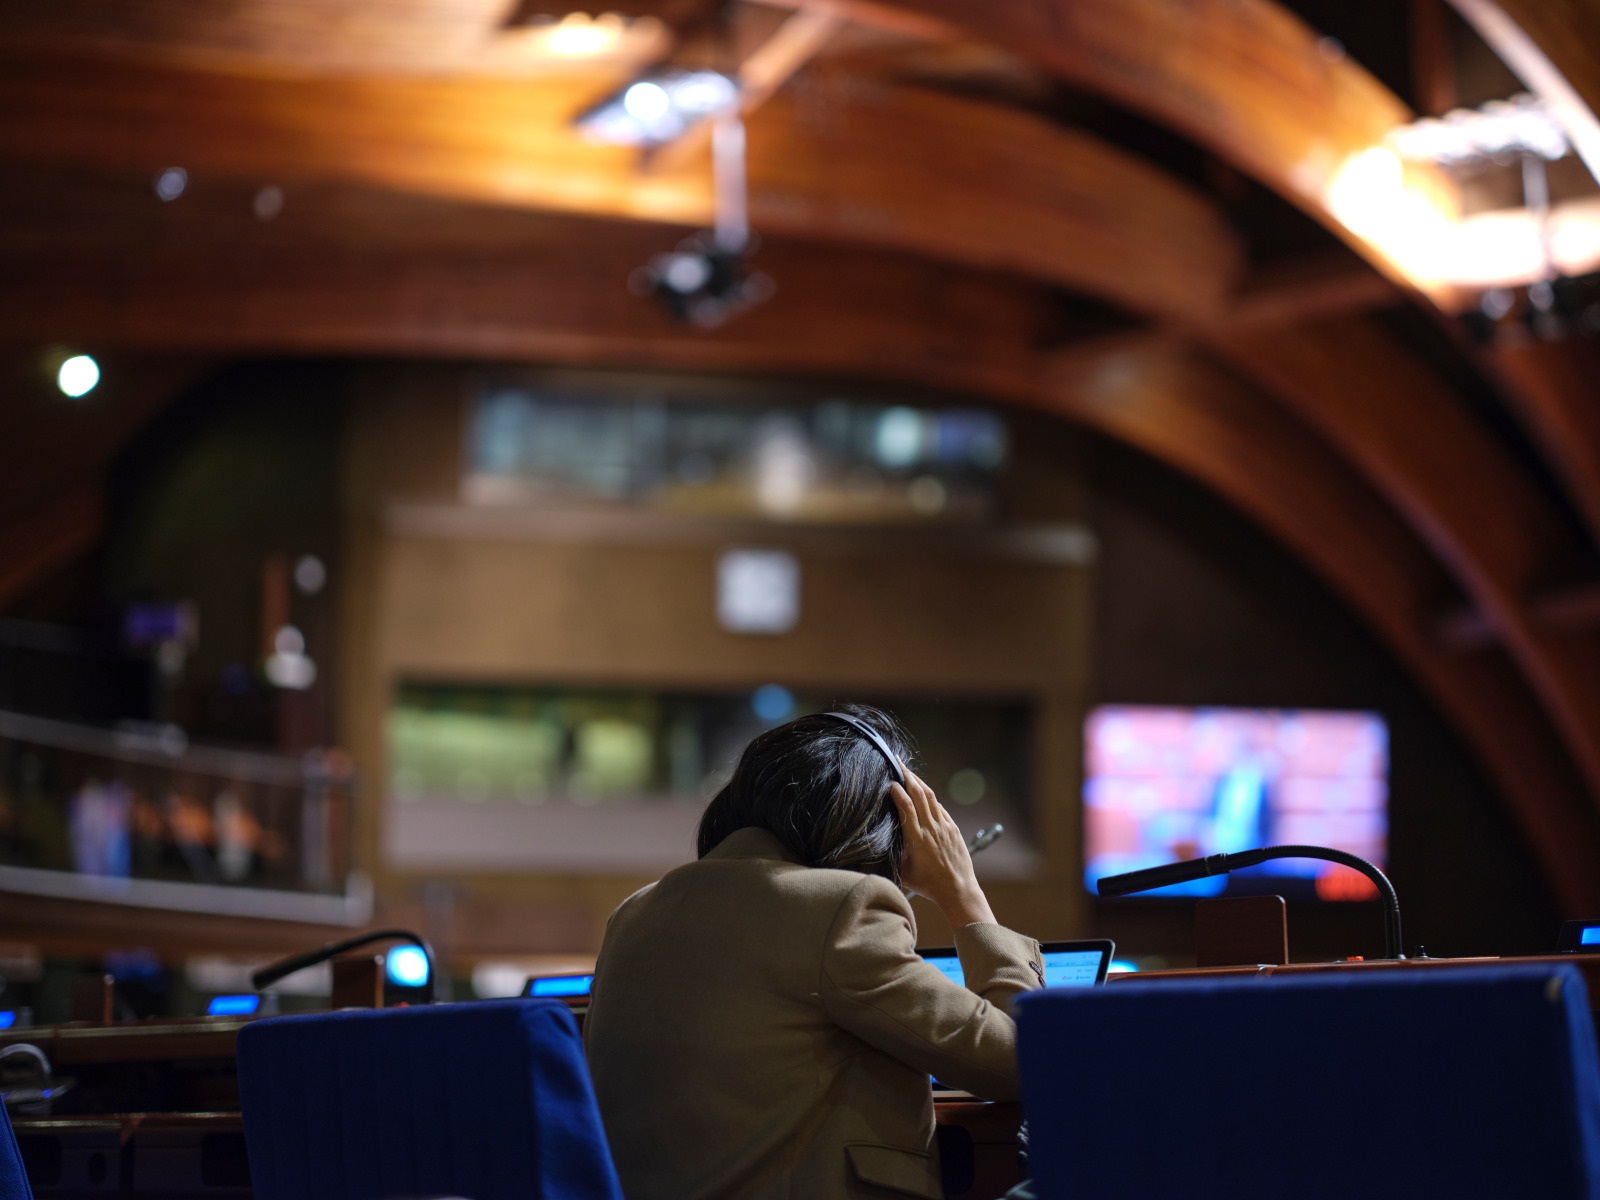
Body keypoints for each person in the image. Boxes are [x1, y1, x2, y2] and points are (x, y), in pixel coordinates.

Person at [584, 705, 1044, 1200]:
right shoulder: (837, 907)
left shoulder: (633, 914)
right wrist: (963, 895)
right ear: (884, 822)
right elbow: (1023, 1060)